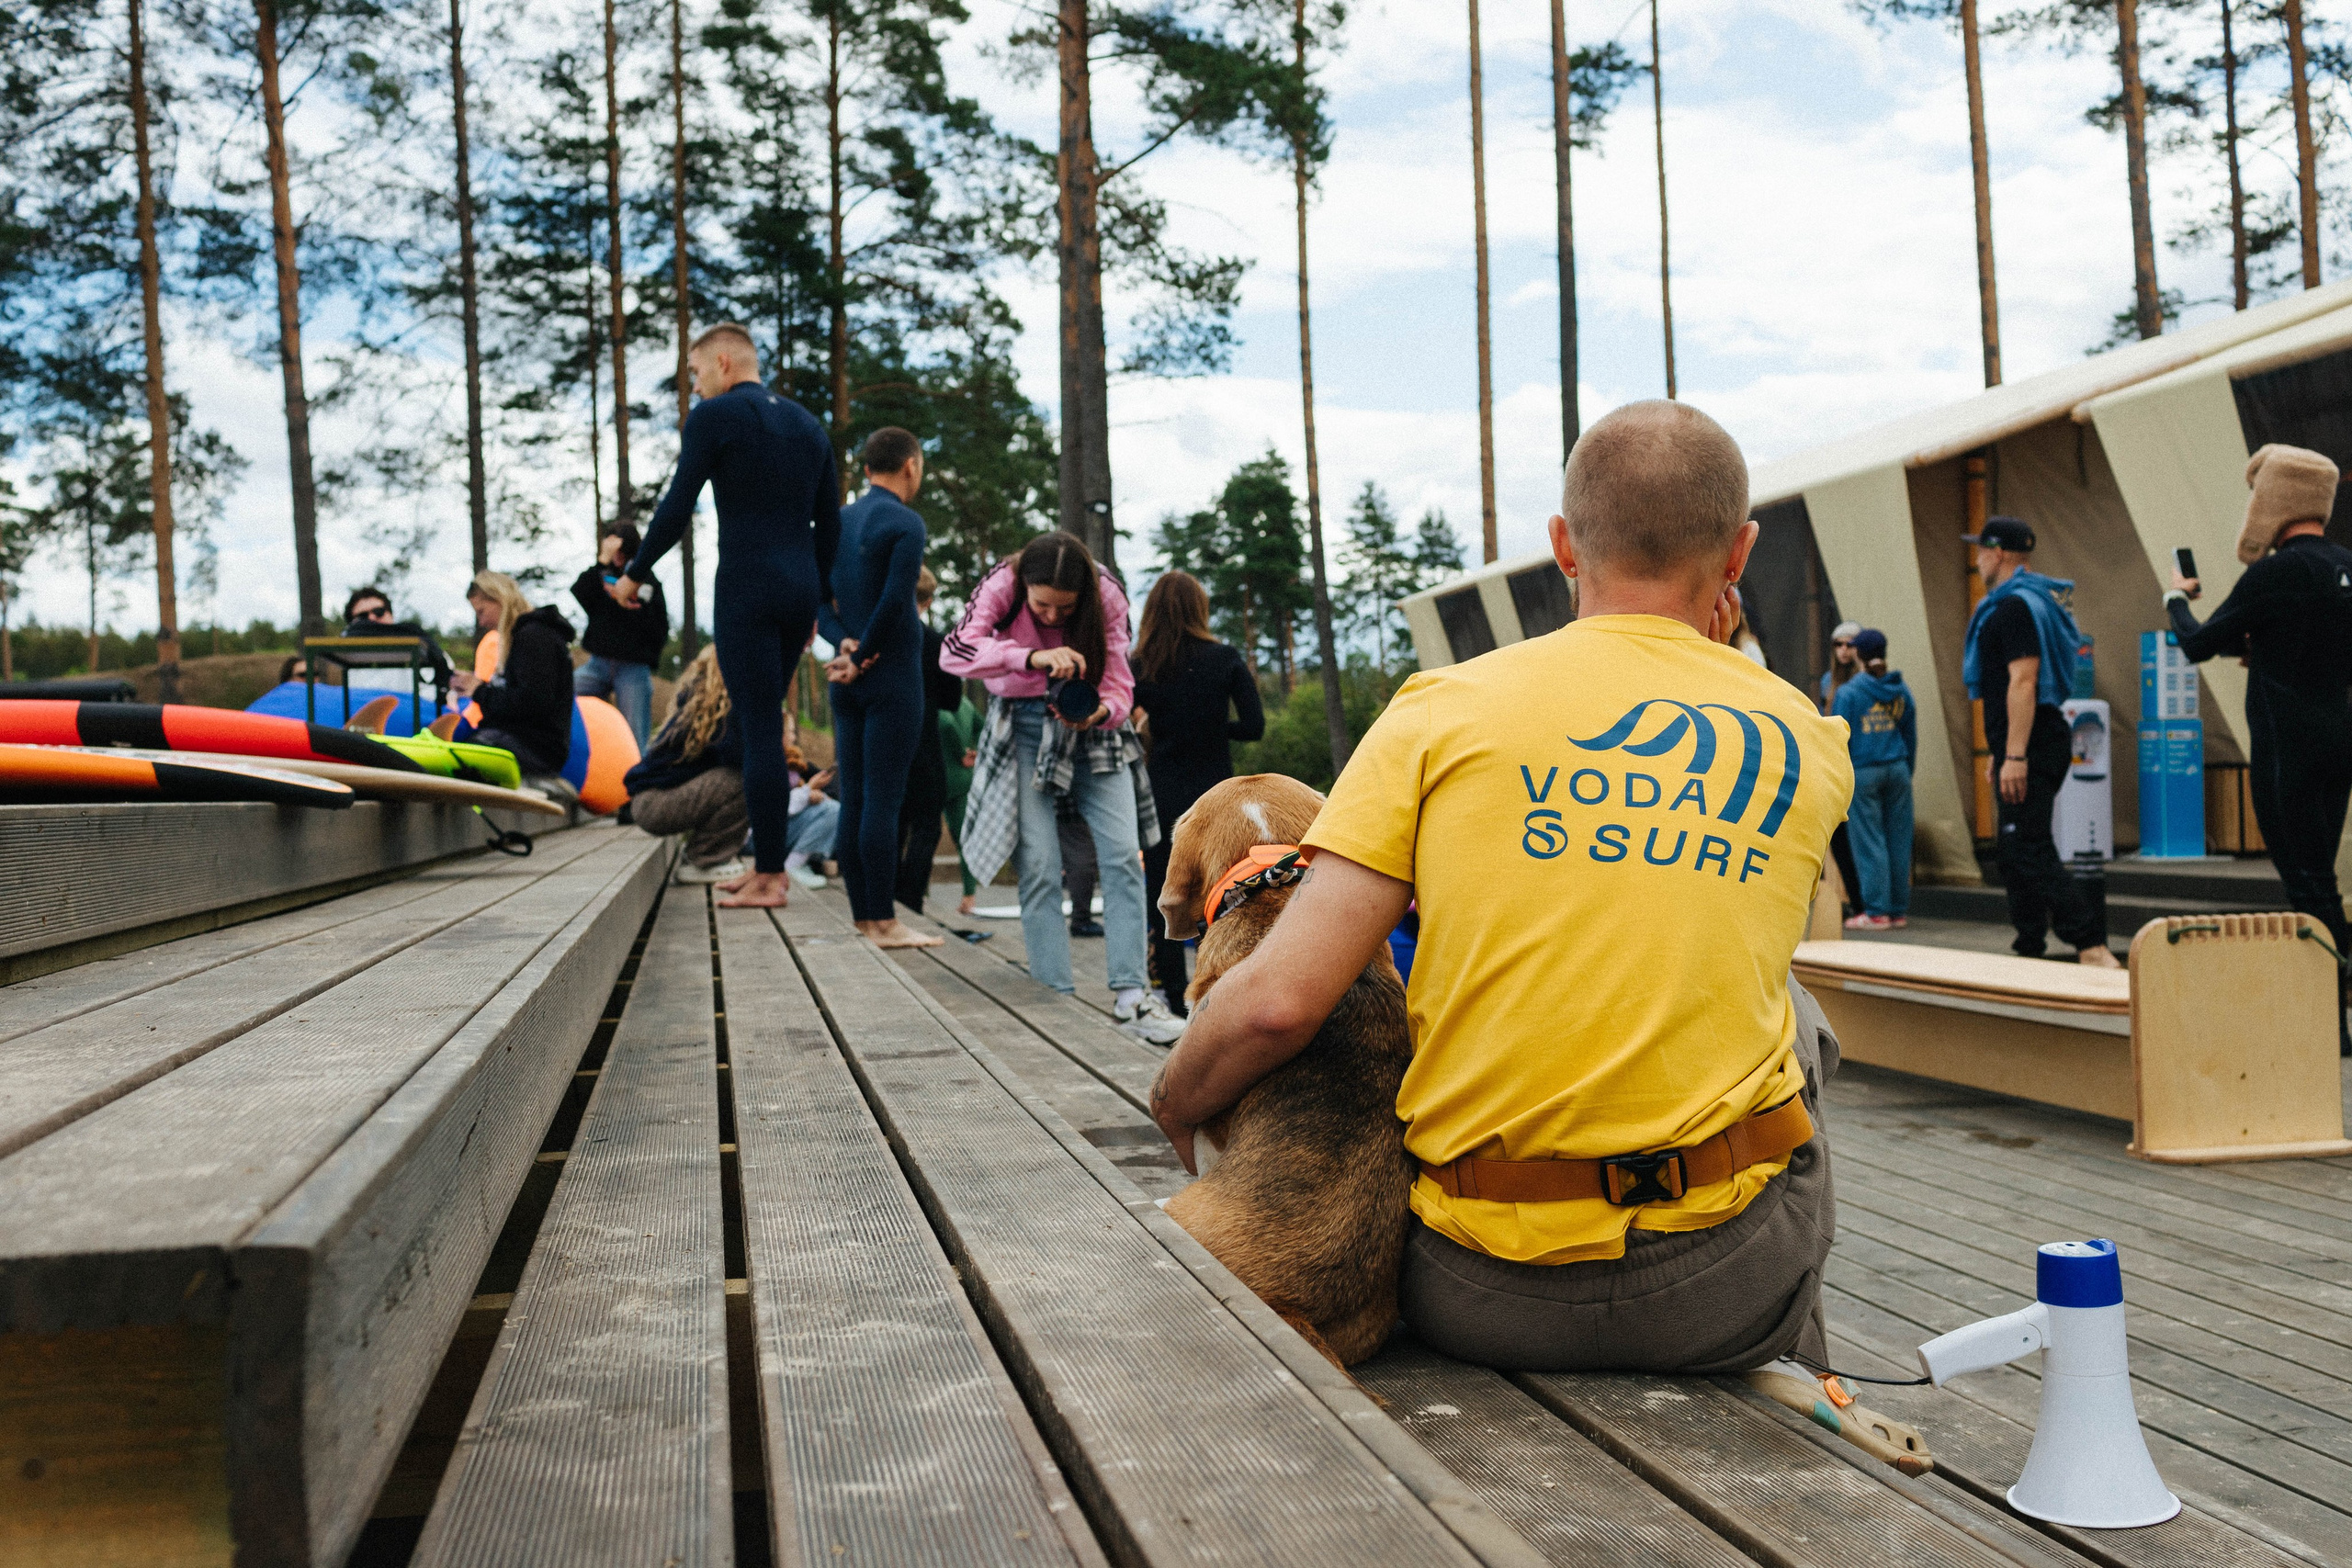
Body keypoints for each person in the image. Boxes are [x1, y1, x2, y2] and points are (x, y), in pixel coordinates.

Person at [1149, 400, 1851, 1372]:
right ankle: (1808, 1382)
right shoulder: (1807, 736)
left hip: (1475, 1291)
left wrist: (1175, 1097)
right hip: (1713, 1291)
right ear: (1739, 555)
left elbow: (1274, 1006)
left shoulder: (1441, 709)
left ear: (1563, 544)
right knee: (1797, 1018)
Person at [611, 322, 839, 910]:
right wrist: (816, 602)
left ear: (722, 362)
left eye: (696, 374)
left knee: (759, 725)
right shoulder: (809, 426)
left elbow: (676, 506)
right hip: (798, 590)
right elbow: (829, 527)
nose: (696, 386)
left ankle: (768, 876)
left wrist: (635, 573)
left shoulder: (713, 419)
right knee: (771, 717)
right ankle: (767, 867)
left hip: (748, 586)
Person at [942, 531, 1184, 1045]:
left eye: (1065, 609)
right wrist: (1028, 657)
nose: (1052, 617)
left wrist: (1103, 711)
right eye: (1041, 605)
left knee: (1122, 855)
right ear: (1023, 587)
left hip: (1091, 724)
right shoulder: (1002, 583)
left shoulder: (1108, 594)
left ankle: (1131, 996)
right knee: (1039, 862)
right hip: (1021, 724)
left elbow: (1120, 679)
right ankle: (1053, 997)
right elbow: (955, 652)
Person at [2165, 444, 2352, 1054]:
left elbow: (2196, 644)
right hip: (2338, 737)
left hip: (2285, 743)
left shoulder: (2273, 574)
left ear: (2273, 500)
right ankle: (2331, 1015)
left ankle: (2333, 1020)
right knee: (2320, 875)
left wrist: (2176, 598)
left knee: (2307, 883)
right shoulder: (2345, 567)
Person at [1962, 515, 2116, 966]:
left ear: (2000, 553)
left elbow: (2024, 681)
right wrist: (2001, 752)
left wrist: (2015, 754)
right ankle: (2028, 946)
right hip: (2022, 740)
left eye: (1981, 549)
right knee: (2014, 848)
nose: (1977, 558)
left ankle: (2091, 944)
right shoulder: (2025, 602)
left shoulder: (2014, 608)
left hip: (2031, 741)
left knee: (2027, 843)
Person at [819, 426, 941, 950]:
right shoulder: (905, 523)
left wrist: (844, 647)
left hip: (845, 677)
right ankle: (886, 924)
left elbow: (818, 604)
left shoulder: (835, 522)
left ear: (867, 467)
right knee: (885, 803)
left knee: (855, 800)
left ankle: (862, 918)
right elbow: (897, 603)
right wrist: (866, 654)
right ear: (910, 466)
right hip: (890, 675)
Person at [1133, 568, 1266, 1013]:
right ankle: (1214, 993)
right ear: (1200, 609)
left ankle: (1171, 996)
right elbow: (1253, 728)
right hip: (1215, 794)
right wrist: (1212, 726)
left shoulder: (1141, 664)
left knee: (1163, 889)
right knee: (1220, 890)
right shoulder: (1225, 658)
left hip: (1162, 791)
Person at [626, 645, 752, 883]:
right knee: (746, 780)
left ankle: (702, 855)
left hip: (650, 801)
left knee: (744, 777)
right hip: (655, 803)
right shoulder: (720, 710)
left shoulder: (698, 704)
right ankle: (703, 860)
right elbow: (740, 757)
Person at [451, 570, 574, 778]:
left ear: (499, 599)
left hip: (538, 749)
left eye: (481, 612)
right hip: (528, 741)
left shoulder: (535, 637)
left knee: (464, 758)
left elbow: (532, 702)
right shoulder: (524, 637)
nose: (481, 622)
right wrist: (480, 688)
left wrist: (480, 691)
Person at [1833, 628, 1917, 931]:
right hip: (1898, 768)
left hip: (1863, 771)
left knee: (1870, 842)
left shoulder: (1849, 693)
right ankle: (1897, 911)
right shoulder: (1900, 689)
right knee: (1899, 840)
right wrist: (1907, 768)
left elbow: (1839, 737)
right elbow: (1910, 732)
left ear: (1857, 653)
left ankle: (1876, 911)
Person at [893, 567, 963, 916]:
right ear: (928, 601)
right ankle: (910, 898)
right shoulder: (936, 643)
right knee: (926, 825)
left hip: (883, 742)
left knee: (891, 819)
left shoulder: (878, 638)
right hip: (922, 742)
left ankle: (887, 896)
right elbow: (952, 700)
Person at [572, 523, 669, 748]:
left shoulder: (647, 579)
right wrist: (602, 560)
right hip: (598, 663)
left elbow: (659, 626)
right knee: (565, 694)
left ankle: (636, 777)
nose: (616, 557)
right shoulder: (601, 574)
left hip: (633, 668)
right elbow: (580, 592)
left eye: (620, 551)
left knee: (635, 736)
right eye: (611, 550)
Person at [941, 692, 983, 915]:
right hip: (963, 779)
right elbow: (982, 726)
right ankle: (969, 895)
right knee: (964, 838)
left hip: (939, 777)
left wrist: (960, 752)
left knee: (925, 835)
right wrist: (973, 748)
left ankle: (921, 895)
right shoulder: (965, 702)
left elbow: (945, 722)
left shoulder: (937, 700)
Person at [1817, 621, 1861, 712]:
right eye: (1839, 644)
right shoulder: (1827, 679)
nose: (1844, 649)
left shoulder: (1865, 679)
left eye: (1849, 644)